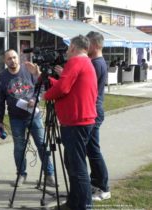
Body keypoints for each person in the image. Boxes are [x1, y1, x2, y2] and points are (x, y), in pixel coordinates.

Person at [42, 35, 98, 210]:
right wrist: (45, 78)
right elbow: (68, 86)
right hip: (82, 120)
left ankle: (84, 206)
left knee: (78, 167)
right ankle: (75, 202)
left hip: (76, 122)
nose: (66, 51)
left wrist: (46, 95)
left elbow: (63, 88)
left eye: (67, 48)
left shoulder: (75, 62)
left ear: (73, 47)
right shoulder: (86, 62)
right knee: (72, 163)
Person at [0, 49, 55, 187]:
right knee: (19, 147)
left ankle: (49, 174)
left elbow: (40, 87)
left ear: (18, 58)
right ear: (5, 61)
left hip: (33, 115)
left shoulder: (29, 70)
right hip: (16, 118)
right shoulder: (2, 78)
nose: (12, 60)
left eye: (14, 57)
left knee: (42, 144)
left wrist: (35, 99)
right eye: (9, 58)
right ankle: (21, 174)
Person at [86, 31, 111, 201]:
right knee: (91, 149)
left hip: (94, 110)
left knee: (93, 150)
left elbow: (88, 88)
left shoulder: (96, 64)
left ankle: (103, 187)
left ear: (94, 45)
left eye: (87, 44)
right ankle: (95, 183)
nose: (85, 47)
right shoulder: (96, 62)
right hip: (95, 109)